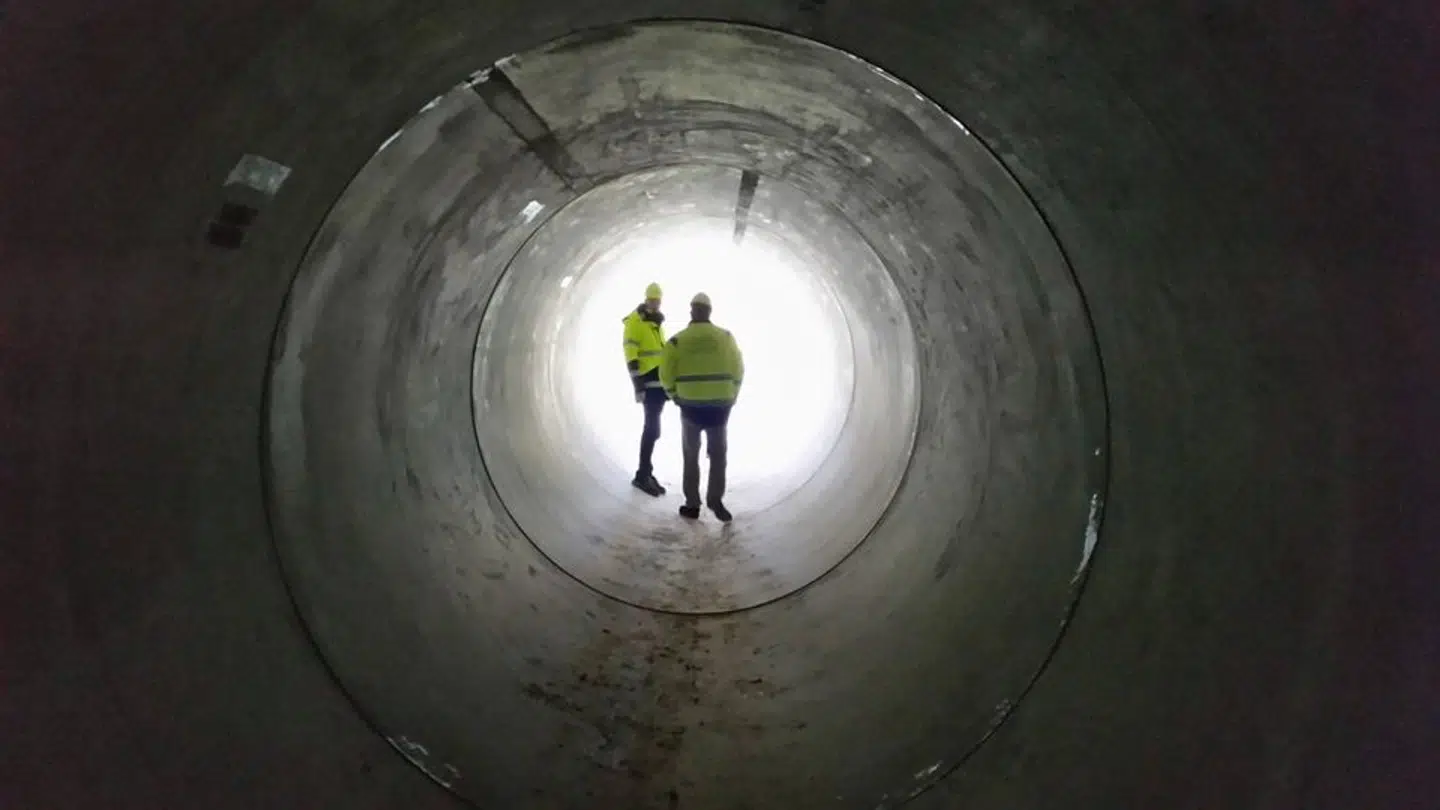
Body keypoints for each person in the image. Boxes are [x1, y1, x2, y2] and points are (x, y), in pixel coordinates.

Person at [660, 292, 744, 522]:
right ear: (710, 311)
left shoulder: (677, 341)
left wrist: (674, 395)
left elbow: (665, 373)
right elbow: (739, 367)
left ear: (692, 311)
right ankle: (716, 501)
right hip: (720, 408)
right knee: (718, 455)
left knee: (690, 454)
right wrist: (732, 394)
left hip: (690, 408)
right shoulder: (726, 338)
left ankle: (692, 504)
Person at [622, 282, 669, 496]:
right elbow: (630, 355)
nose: (655, 304)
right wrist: (637, 385)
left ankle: (646, 472)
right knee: (651, 429)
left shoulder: (656, 323)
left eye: (657, 301)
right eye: (651, 300)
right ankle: (641, 475)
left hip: (658, 383)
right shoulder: (636, 322)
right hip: (647, 383)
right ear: (645, 299)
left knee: (654, 429)